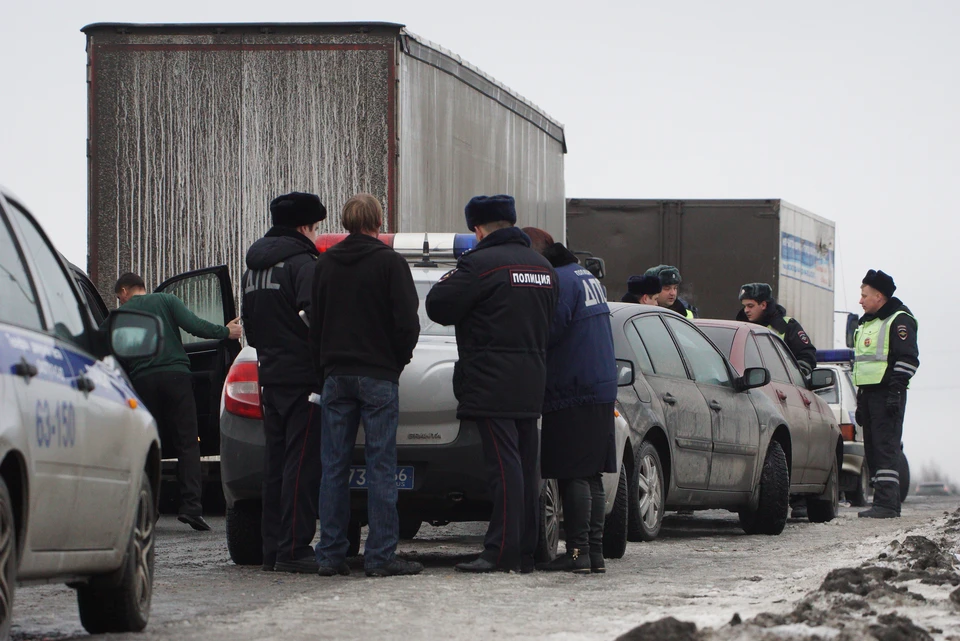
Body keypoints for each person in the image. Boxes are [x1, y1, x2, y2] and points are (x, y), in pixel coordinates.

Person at [426, 195, 558, 574]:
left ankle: (501, 552)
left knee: (502, 470)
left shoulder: (480, 264)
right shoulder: (542, 266)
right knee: (525, 468)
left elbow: (438, 305)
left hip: (491, 382)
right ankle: (527, 551)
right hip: (531, 380)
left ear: (478, 229)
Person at [310, 193, 422, 577]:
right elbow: (408, 323)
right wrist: (396, 362)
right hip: (378, 375)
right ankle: (380, 556)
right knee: (381, 466)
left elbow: (315, 321)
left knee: (334, 468)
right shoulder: (391, 263)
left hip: (336, 376)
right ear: (378, 221)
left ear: (345, 222)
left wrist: (324, 365)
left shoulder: (324, 264)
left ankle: (330, 555)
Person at [115, 273, 242, 531]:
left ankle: (149, 510)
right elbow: (195, 325)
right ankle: (192, 509)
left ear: (125, 290)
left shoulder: (121, 315)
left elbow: (106, 344)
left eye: (119, 297)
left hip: (142, 382)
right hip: (177, 378)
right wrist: (225, 332)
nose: (120, 301)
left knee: (148, 445)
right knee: (187, 443)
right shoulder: (166, 300)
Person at [241, 191, 326, 573]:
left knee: (275, 462)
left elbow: (251, 329)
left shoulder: (253, 268)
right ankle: (295, 547)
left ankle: (271, 548)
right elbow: (316, 318)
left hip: (269, 375)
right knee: (301, 464)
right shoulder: (303, 263)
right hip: (304, 378)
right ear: (305, 226)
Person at [524, 227, 617, 574]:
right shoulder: (584, 275)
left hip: (572, 388)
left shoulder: (559, 281)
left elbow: (550, 330)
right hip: (598, 386)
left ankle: (577, 554)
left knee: (572, 473)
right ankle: (593, 554)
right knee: (590, 474)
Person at [852, 269, 919, 519]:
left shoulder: (899, 320)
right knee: (872, 448)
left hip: (888, 394)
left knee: (886, 447)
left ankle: (888, 504)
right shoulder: (868, 322)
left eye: (864, 295)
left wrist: (895, 390)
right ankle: (881, 500)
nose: (860, 300)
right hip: (870, 394)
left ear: (879, 296)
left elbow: (908, 358)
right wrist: (861, 399)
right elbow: (864, 365)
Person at [736, 283, 817, 379]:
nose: (746, 310)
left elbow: (807, 356)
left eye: (750, 306)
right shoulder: (740, 328)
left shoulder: (788, 326)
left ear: (763, 305)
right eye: (744, 306)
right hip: (745, 385)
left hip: (780, 385)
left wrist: (794, 377)